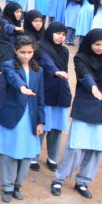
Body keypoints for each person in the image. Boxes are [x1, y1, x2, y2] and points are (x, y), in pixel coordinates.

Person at [51, 29, 102, 199]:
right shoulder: (80, 58)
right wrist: (93, 87)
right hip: (85, 103)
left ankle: (82, 181)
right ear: (89, 43)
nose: (100, 48)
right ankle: (59, 178)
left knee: (96, 147)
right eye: (96, 44)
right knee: (76, 145)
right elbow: (84, 75)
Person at [0, 34, 45, 203]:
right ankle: (7, 186)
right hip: (13, 116)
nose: (26, 56)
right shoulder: (8, 66)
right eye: (22, 52)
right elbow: (13, 79)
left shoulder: (38, 70)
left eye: (29, 52)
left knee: (27, 155)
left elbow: (41, 97)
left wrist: (41, 120)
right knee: (9, 153)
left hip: (30, 117)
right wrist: (22, 87)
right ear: (15, 51)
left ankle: (17, 186)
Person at [36, 22, 72, 171]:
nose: (60, 37)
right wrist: (55, 71)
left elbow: (65, 69)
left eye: (63, 35)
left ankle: (52, 157)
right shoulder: (40, 47)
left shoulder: (64, 51)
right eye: (58, 33)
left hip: (60, 91)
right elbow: (45, 61)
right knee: (41, 126)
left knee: (56, 128)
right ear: (51, 32)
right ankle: (33, 156)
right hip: (45, 90)